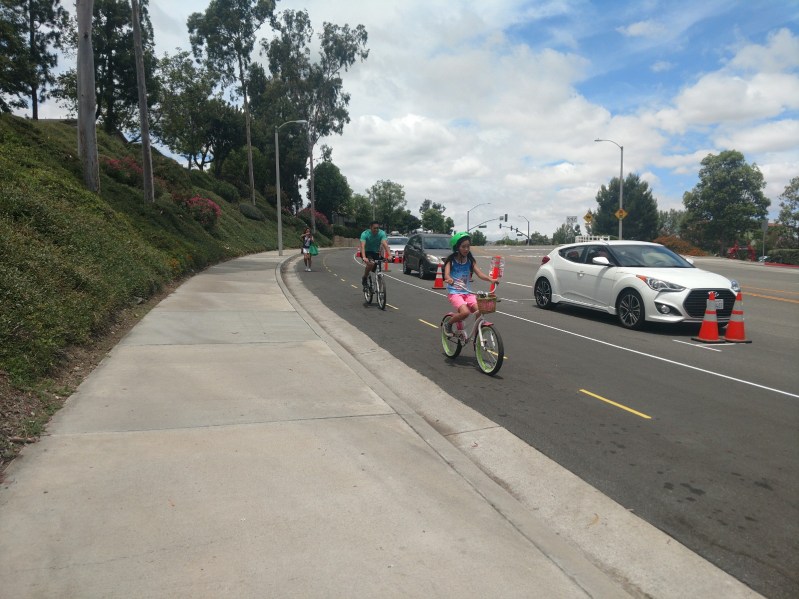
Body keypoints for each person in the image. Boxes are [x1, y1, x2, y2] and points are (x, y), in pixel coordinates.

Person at [442, 232, 498, 335]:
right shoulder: (451, 261)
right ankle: (448, 324)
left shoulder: (470, 261)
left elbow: (480, 274)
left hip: (467, 293)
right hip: (454, 292)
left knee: (480, 310)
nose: (466, 249)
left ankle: (477, 336)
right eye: (463, 247)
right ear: (457, 247)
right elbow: (446, 275)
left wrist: (491, 280)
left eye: (468, 246)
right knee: (465, 313)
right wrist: (449, 279)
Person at [359, 221, 390, 290]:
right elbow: (362, 246)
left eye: (377, 228)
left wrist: (389, 255)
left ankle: (379, 291)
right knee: (371, 264)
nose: (376, 230)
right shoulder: (365, 234)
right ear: (370, 228)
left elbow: (385, 244)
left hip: (375, 252)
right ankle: (364, 278)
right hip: (366, 252)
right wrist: (364, 257)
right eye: (374, 228)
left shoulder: (381, 233)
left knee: (379, 267)